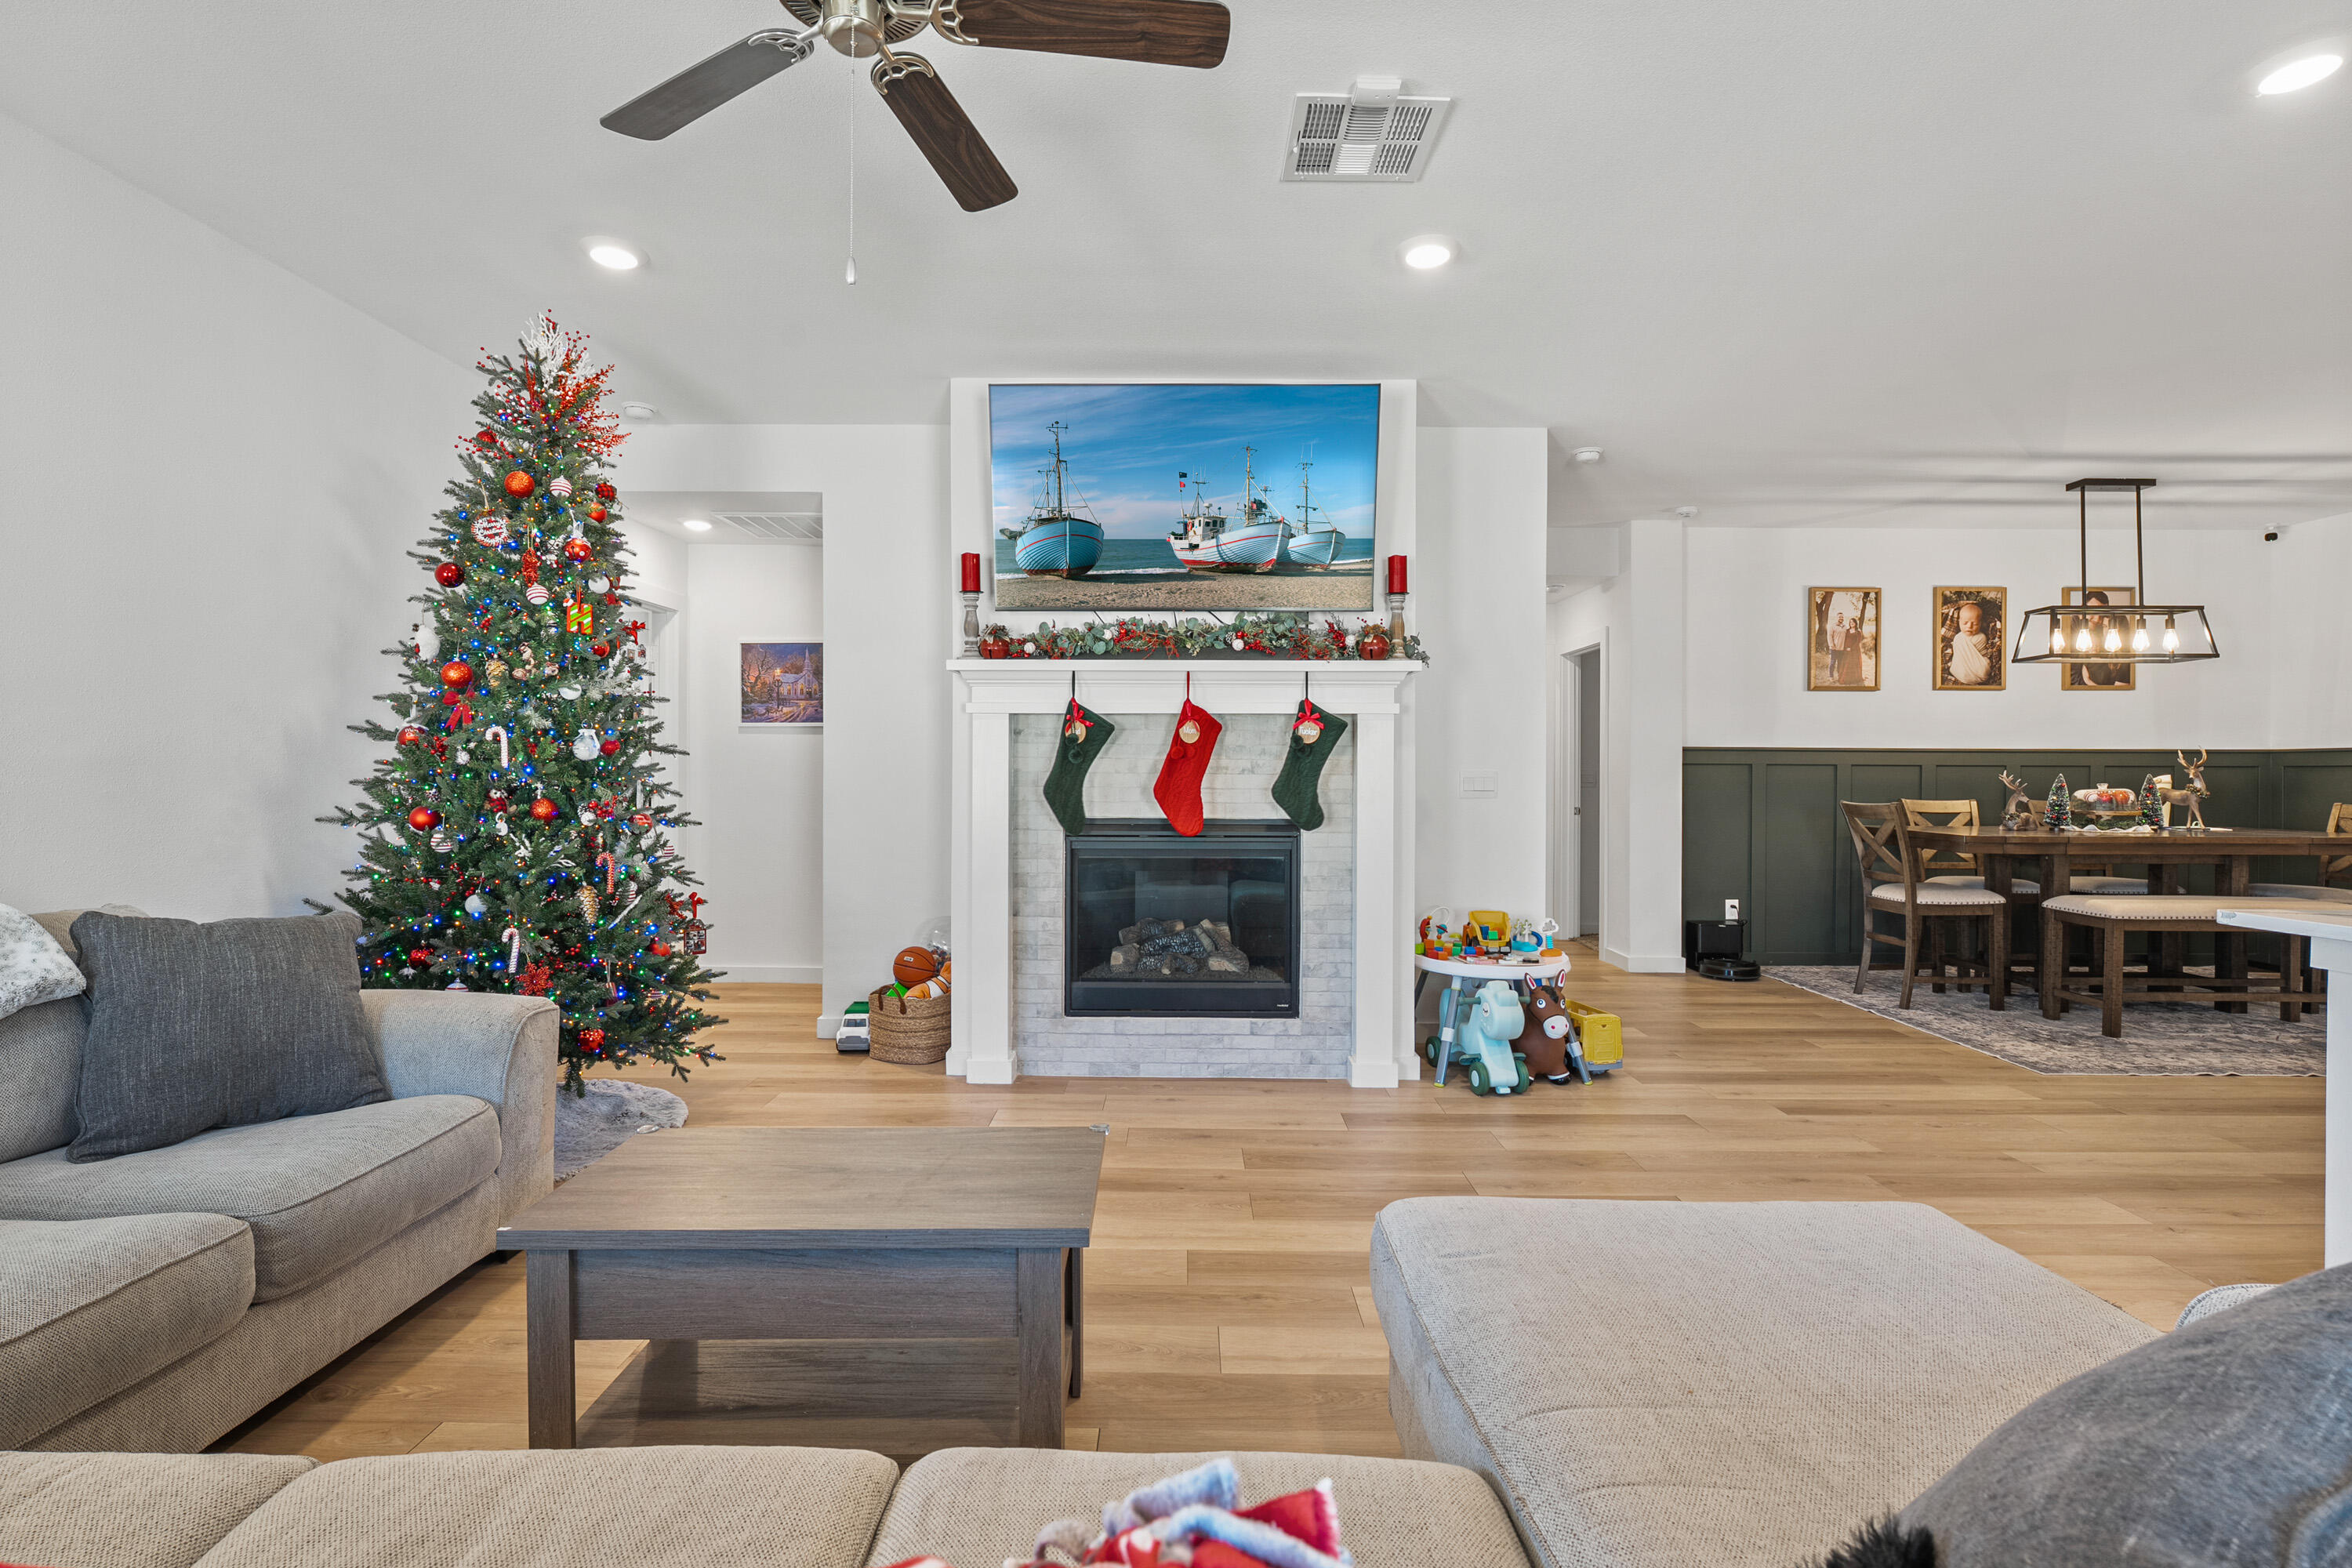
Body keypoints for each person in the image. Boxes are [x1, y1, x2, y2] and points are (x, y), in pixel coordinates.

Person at [1945, 598, 1995, 686]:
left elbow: (1983, 655)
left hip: (1978, 670)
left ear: (1980, 624)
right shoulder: (1958, 638)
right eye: (1965, 623)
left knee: (1984, 669)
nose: (1969, 626)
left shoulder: (1982, 637)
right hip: (1959, 672)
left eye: (1975, 624)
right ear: (1959, 622)